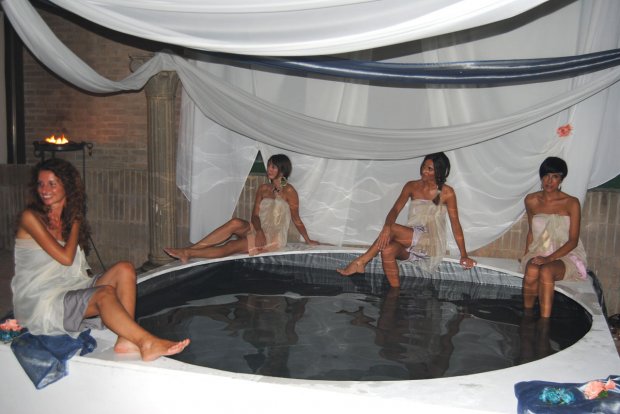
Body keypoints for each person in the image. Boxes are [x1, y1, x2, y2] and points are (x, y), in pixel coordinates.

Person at [11, 158, 189, 361]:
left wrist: (73, 218)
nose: (45, 190)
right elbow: (66, 258)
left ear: (67, 186)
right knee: (104, 294)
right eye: (41, 184)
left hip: (68, 286)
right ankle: (145, 342)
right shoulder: (31, 217)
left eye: (52, 183)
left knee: (125, 268)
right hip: (42, 299)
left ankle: (125, 340)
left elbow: (74, 267)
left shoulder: (68, 217)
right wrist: (75, 221)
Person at [337, 152, 476, 287]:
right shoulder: (411, 186)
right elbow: (395, 210)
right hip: (412, 238)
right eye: (424, 166)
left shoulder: (447, 192)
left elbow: (455, 225)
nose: (424, 171)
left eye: (430, 169)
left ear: (439, 172)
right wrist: (387, 226)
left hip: (431, 243)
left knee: (392, 228)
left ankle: (361, 262)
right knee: (387, 250)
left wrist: (463, 254)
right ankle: (394, 294)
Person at [164, 154, 318, 262]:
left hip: (273, 238)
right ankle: (191, 250)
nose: (269, 169)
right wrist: (259, 231)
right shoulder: (263, 189)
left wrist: (308, 239)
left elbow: (296, 219)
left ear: (282, 170)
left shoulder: (289, 191)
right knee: (235, 222)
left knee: (231, 245)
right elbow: (255, 216)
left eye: (273, 167)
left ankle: (188, 253)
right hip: (258, 229)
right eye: (268, 166)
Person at [521, 156, 587, 318]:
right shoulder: (531, 200)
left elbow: (573, 240)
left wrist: (549, 258)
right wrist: (525, 256)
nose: (549, 181)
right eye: (546, 176)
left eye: (555, 176)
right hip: (539, 251)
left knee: (546, 270)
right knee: (531, 269)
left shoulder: (571, 203)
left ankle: (545, 321)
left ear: (561, 179)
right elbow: (531, 232)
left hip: (566, 254)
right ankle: (527, 315)